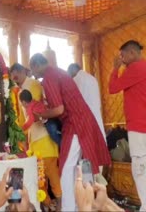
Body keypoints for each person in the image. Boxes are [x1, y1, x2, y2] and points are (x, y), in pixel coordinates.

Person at [30, 53, 111, 211]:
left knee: (66, 168)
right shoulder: (59, 72)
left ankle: (69, 208)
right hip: (86, 121)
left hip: (75, 124)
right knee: (79, 167)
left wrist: (41, 115)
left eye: (33, 69)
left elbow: (59, 109)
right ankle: (82, 205)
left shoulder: (49, 77)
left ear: (36, 65)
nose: (33, 74)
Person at [109, 40, 146, 211]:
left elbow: (113, 87)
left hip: (139, 128)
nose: (121, 59)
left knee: (140, 169)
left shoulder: (136, 68)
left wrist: (116, 68)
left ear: (131, 53)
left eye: (122, 55)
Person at [19, 89, 61, 211]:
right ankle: (48, 204)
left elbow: (30, 121)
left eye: (22, 104)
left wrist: (20, 130)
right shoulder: (32, 107)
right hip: (37, 148)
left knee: (52, 175)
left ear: (24, 102)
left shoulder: (35, 106)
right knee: (40, 178)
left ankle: (60, 203)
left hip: (45, 146)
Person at [67, 63, 106, 140]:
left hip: (85, 120)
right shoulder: (92, 78)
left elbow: (73, 103)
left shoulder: (75, 80)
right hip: (97, 117)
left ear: (71, 71)